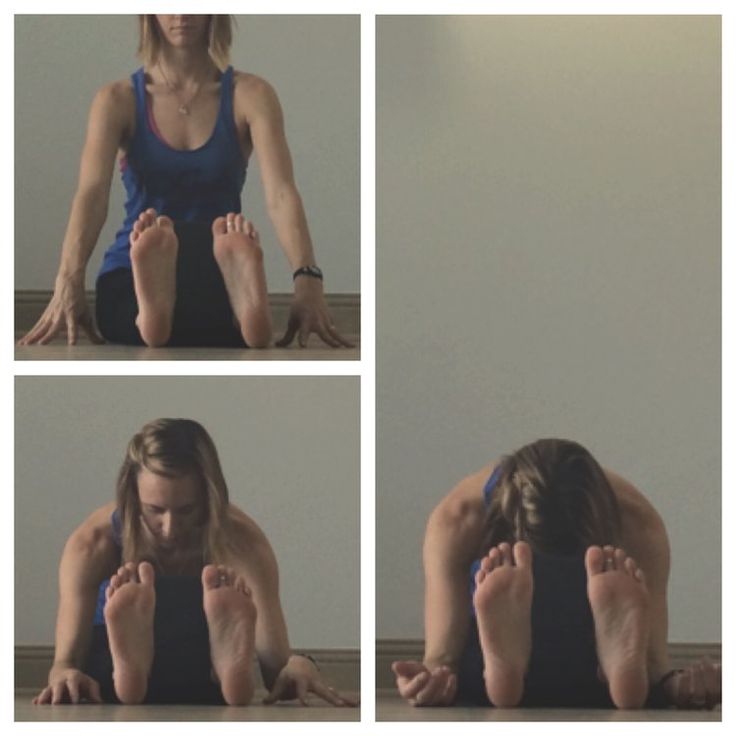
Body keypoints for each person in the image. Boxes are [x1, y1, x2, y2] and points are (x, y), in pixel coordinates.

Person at [20, 15, 352, 349]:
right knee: (195, 305)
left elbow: (281, 193)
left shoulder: (250, 95)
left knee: (144, 310)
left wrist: (308, 281)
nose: (181, 14)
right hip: (139, 270)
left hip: (215, 268)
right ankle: (205, 313)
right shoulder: (117, 99)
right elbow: (92, 194)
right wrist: (68, 280)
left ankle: (159, 319)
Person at [32, 418, 357, 706]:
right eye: (154, 511)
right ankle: (133, 664)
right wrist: (66, 675)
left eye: (187, 510)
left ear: (211, 495)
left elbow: (276, 668)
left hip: (196, 661)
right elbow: (66, 660)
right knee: (110, 653)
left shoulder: (241, 541)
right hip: (117, 665)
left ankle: (220, 666)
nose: (170, 528)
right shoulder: (93, 543)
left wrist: (300, 665)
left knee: (219, 644)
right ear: (131, 496)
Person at [392, 438, 721, 710]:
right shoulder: (456, 520)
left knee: (497, 581)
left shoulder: (637, 523)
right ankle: (513, 662)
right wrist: (431, 680)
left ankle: (521, 673)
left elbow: (442, 654)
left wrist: (679, 685)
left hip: (493, 680)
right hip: (584, 682)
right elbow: (439, 660)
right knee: (497, 582)